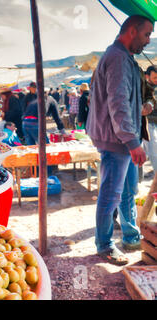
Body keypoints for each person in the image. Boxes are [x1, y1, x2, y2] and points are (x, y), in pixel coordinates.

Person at [86, 15, 154, 265]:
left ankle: (125, 237)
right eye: (147, 34)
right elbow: (118, 103)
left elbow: (124, 102)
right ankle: (104, 245)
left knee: (125, 191)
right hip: (117, 140)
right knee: (112, 193)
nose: (148, 40)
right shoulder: (117, 58)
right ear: (132, 31)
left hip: (118, 138)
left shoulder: (123, 57)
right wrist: (132, 141)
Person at [143, 65, 157, 174]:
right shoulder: (144, 88)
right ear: (147, 76)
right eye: (155, 78)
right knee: (153, 151)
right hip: (150, 123)